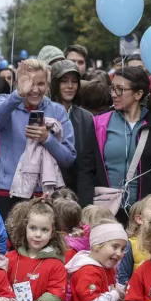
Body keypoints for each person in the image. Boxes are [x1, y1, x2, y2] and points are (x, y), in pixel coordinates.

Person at [0, 60, 76, 219]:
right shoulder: (6, 102)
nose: (34, 89)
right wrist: (17, 96)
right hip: (8, 191)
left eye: (40, 84)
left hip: (44, 193)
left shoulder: (57, 110)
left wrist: (47, 139)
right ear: (19, 82)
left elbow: (69, 158)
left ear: (47, 85)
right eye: (29, 83)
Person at [87, 65, 151, 219]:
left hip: (145, 214)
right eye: (112, 88)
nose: (114, 94)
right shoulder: (99, 123)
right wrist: (86, 208)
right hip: (105, 211)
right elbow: (86, 171)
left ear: (138, 94)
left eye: (120, 89)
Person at [51, 60, 98, 203]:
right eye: (64, 81)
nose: (70, 86)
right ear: (54, 83)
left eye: (74, 81)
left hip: (76, 192)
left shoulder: (87, 118)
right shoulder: (42, 112)